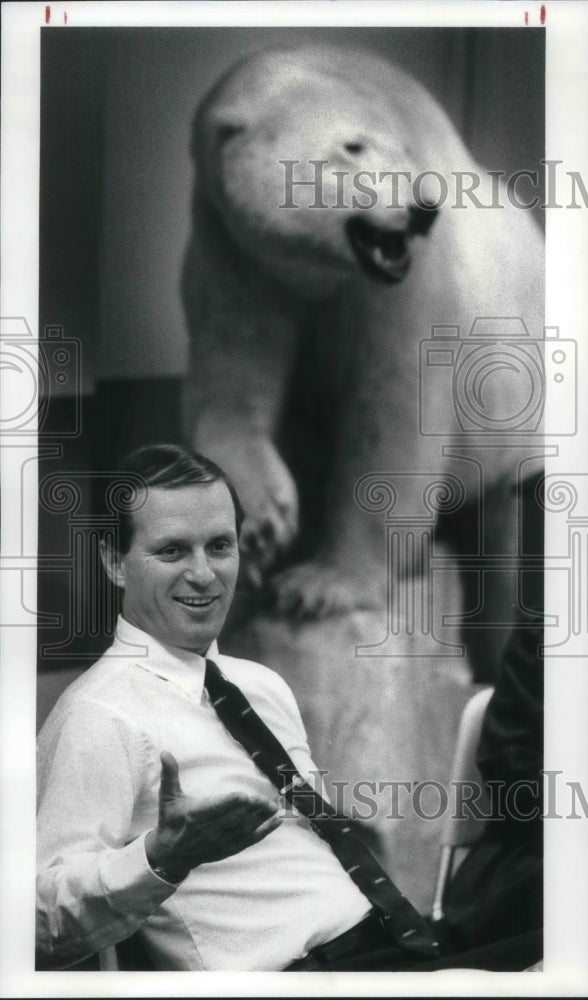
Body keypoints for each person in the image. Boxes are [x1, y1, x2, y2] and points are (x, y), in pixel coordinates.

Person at [36, 444, 541, 972]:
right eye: (172, 552)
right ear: (115, 562)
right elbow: (37, 922)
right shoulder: (99, 714)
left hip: (392, 949)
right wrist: (160, 859)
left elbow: (317, 854)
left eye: (219, 546)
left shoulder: (259, 686)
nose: (205, 574)